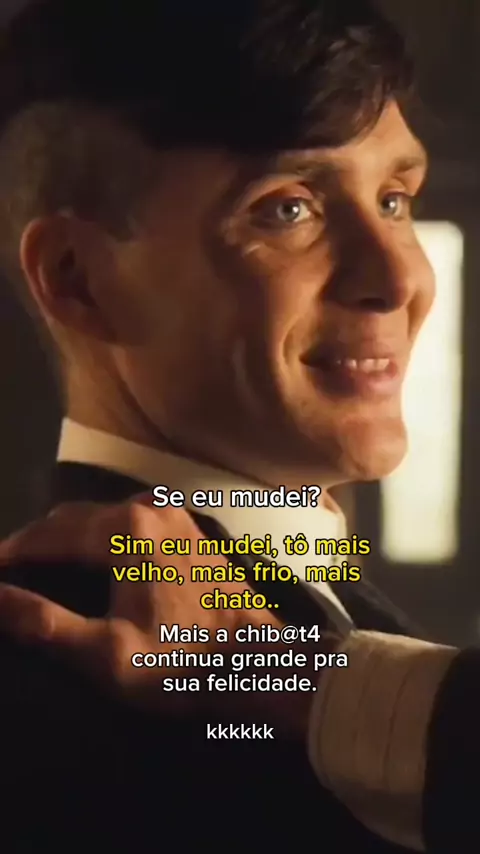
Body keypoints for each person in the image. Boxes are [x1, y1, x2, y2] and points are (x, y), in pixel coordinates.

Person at [0, 0, 466, 851]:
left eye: (395, 199)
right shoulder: (53, 685)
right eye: (287, 208)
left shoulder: (307, 643)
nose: (399, 277)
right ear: (77, 279)